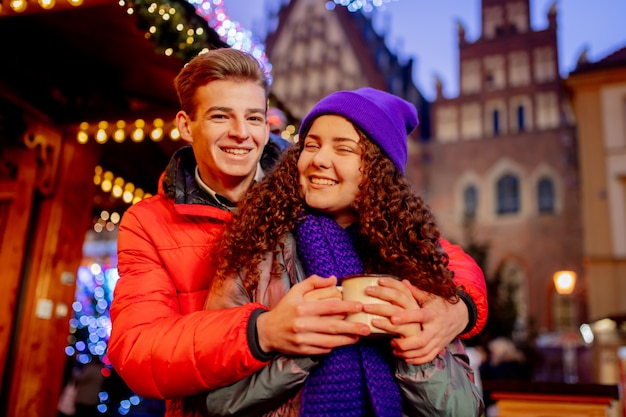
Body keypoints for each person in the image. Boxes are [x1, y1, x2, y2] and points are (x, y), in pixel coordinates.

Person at [108, 48, 486, 417]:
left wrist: (457, 307)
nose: (241, 133)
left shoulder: (313, 193)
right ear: (186, 126)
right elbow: (138, 349)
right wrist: (265, 331)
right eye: (221, 116)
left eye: (254, 118)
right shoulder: (159, 223)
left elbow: (441, 257)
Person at [203, 88, 484, 416]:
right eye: (311, 145)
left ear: (377, 171)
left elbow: (466, 410)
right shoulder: (257, 247)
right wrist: (298, 346)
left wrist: (417, 352)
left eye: (343, 148)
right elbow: (213, 399)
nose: (319, 159)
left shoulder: (413, 263)